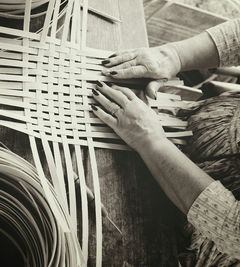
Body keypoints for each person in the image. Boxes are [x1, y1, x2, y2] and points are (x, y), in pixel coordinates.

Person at [91, 19, 240, 266]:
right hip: (199, 127)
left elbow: (235, 232)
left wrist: (152, 141)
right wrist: (173, 55)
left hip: (197, 233)